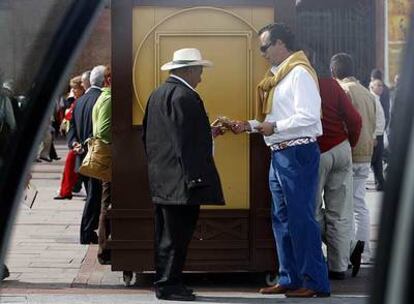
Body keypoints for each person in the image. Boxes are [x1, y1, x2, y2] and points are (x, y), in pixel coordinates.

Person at [232, 23, 330, 297]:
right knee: (283, 219)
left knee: (300, 218)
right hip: (282, 152)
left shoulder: (298, 73)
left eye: (264, 47)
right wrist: (248, 125)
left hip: (296, 152)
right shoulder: (280, 76)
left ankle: (314, 282)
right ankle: (290, 277)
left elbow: (309, 116)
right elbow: (273, 121)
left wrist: (272, 127)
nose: (262, 53)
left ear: (280, 44)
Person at [143, 48, 224, 301]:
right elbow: (185, 142)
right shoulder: (186, 97)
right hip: (182, 180)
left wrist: (206, 133)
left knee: (166, 235)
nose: (201, 77)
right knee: (177, 235)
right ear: (188, 70)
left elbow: (151, 136)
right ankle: (169, 285)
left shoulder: (157, 94)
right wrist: (196, 178)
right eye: (199, 71)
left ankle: (169, 281)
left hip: (163, 178)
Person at [330, 53, 376, 276]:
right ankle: (364, 250)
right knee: (359, 205)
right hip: (366, 153)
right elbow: (375, 125)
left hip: (349, 152)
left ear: (333, 72)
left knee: (344, 208)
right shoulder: (367, 93)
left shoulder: (343, 91)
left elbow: (345, 122)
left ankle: (347, 253)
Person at [316, 77, 362, 280]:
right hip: (340, 148)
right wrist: (349, 143)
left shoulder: (295, 82)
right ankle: (339, 265)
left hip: (315, 152)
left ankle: (345, 249)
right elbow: (355, 119)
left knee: (311, 210)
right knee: (341, 211)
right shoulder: (330, 84)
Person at [68, 66, 104, 244]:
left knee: (92, 195)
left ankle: (88, 231)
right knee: (94, 196)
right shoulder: (101, 99)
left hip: (81, 157)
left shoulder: (80, 101)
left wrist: (74, 143)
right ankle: (87, 232)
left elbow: (72, 129)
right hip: (95, 157)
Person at [91, 65, 112, 264]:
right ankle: (104, 249)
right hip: (108, 159)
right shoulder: (109, 98)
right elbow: (104, 131)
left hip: (105, 158)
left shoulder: (102, 97)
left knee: (106, 203)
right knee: (107, 204)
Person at [54, 76, 85, 200]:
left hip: (79, 140)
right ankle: (68, 190)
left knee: (72, 166)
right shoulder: (75, 100)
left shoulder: (80, 101)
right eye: (72, 89)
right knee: (73, 167)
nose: (73, 91)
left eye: (75, 88)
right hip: (75, 141)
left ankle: (67, 190)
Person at [369, 79, 386, 191]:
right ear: (372, 87)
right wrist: (373, 135)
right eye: (378, 85)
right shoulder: (372, 98)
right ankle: (379, 182)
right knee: (373, 159)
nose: (381, 87)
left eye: (382, 85)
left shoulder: (377, 98)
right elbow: (372, 118)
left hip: (380, 134)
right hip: (376, 135)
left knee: (377, 160)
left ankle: (380, 182)